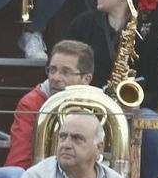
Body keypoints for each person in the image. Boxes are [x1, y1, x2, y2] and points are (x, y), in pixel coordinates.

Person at [62, 0, 158, 178]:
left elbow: (156, 91)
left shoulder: (149, 35)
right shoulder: (83, 24)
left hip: (128, 111)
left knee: (152, 123)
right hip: (87, 106)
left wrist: (134, 106)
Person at [5, 41, 95, 170]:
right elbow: (18, 163)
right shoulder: (31, 103)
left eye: (65, 72)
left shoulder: (99, 105)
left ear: (86, 79)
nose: (55, 77)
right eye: (52, 70)